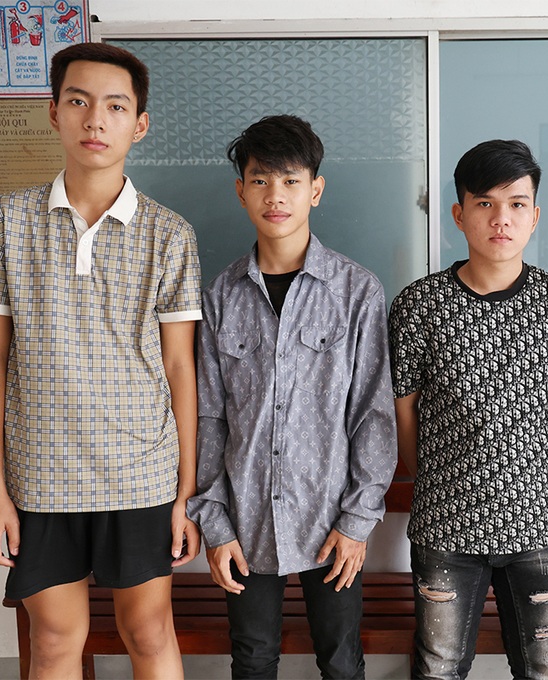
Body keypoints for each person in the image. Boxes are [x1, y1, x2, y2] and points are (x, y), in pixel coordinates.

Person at [0, 43, 202, 678]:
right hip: (39, 475)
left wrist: (185, 494)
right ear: (55, 113)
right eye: (79, 101)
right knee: (53, 640)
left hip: (142, 475)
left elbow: (181, 368)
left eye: (115, 106)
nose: (96, 119)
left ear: (139, 124)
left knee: (149, 632)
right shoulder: (5, 222)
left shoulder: (170, 234)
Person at [188, 115, 397, 680]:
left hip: (332, 518)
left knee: (341, 660)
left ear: (316, 190)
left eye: (290, 181)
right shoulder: (220, 296)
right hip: (246, 520)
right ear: (241, 191)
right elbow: (209, 418)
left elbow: (373, 415)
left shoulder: (357, 291)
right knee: (252, 658)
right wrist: (215, 524)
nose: (275, 196)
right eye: (260, 180)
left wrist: (357, 520)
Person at [389, 139, 548, 680]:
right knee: (437, 669)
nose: (501, 218)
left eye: (516, 204)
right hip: (446, 525)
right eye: (484, 203)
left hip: (540, 521)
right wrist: (442, 477)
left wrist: (530, 468)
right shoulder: (418, 305)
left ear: (535, 215)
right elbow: (404, 412)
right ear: (459, 214)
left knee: (544, 670)